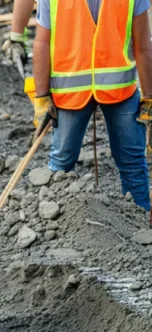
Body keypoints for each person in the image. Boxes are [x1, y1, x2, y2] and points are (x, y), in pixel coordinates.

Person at [31, 0, 152, 211]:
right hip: (71, 92)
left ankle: (141, 221)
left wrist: (149, 98)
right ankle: (55, 218)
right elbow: (42, 42)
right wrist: (41, 97)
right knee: (62, 160)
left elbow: (143, 45)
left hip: (119, 90)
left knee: (132, 161)